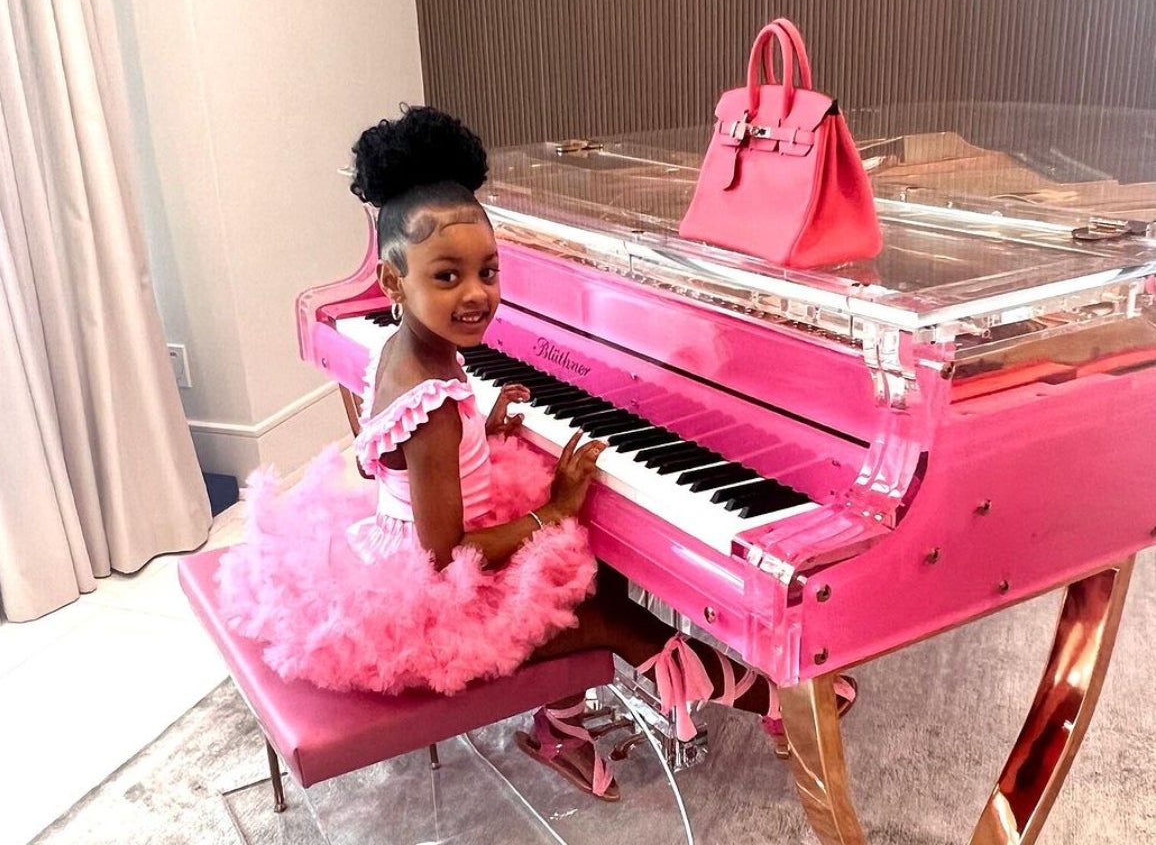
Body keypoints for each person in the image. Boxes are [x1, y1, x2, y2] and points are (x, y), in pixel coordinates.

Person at [216, 105, 856, 803]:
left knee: (586, 571)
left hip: (395, 548)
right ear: (393, 283)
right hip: (432, 599)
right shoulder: (431, 407)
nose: (476, 294)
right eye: (447, 277)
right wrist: (549, 512)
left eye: (488, 271)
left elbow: (393, 456)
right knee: (606, 615)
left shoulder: (408, 349)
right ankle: (776, 705)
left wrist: (480, 429)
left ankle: (563, 726)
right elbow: (445, 555)